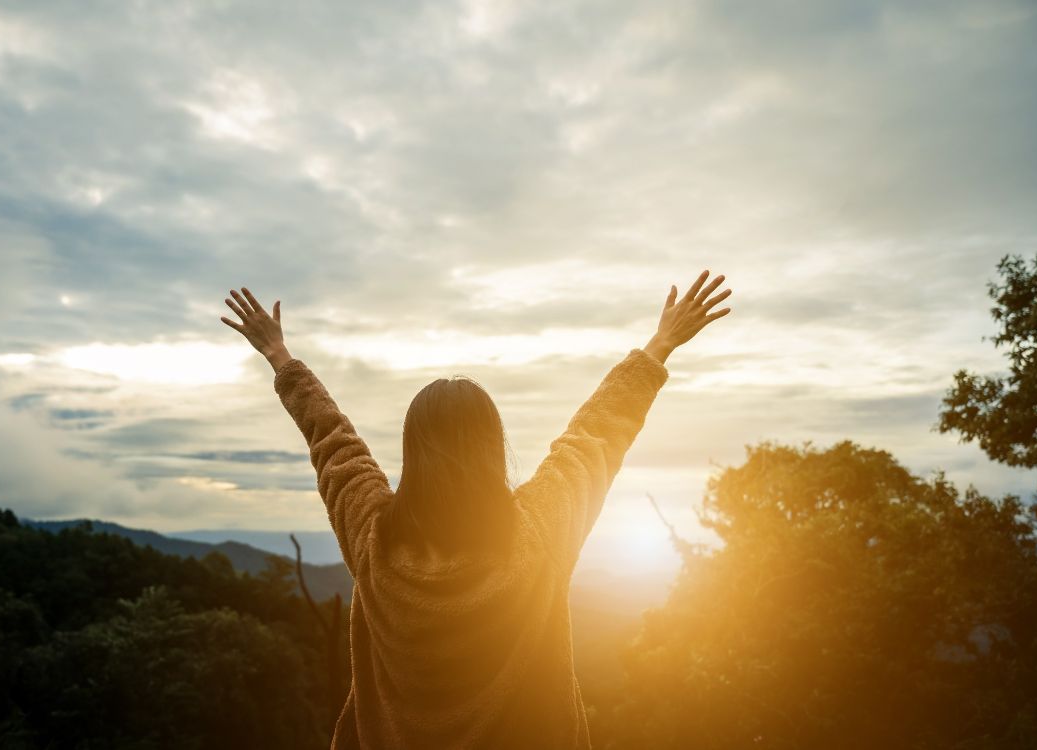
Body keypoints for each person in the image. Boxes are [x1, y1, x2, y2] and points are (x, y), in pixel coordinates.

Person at [220, 270, 731, 749]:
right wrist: (659, 346)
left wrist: (281, 357)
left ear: (412, 453)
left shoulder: (372, 539)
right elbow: (593, 437)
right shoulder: (538, 531)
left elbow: (334, 443)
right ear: (492, 451)